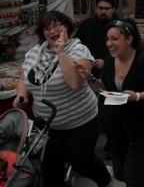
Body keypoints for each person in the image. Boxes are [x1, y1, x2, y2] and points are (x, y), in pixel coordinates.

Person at [14, 11, 112, 187]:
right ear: (42, 32)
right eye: (47, 27)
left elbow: (74, 82)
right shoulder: (34, 53)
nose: (52, 30)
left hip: (81, 121)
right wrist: (21, 95)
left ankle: (105, 180)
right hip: (48, 124)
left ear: (66, 27)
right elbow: (24, 78)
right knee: (50, 171)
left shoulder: (78, 49)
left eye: (57, 25)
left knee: (81, 161)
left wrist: (60, 53)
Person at [100, 19, 144, 187]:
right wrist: (90, 80)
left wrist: (137, 96)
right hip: (119, 127)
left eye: (115, 39)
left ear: (129, 39)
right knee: (120, 174)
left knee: (131, 176)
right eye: (108, 39)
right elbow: (107, 86)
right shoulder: (110, 60)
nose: (110, 43)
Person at [75, 0, 121, 159]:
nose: (103, 11)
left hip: (114, 77)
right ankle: (88, 150)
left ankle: (114, 145)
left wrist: (108, 61)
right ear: (95, 8)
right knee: (92, 114)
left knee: (112, 113)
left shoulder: (121, 26)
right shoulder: (87, 25)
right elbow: (76, 45)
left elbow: (129, 50)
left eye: (107, 8)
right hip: (90, 78)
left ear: (113, 9)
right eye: (100, 8)